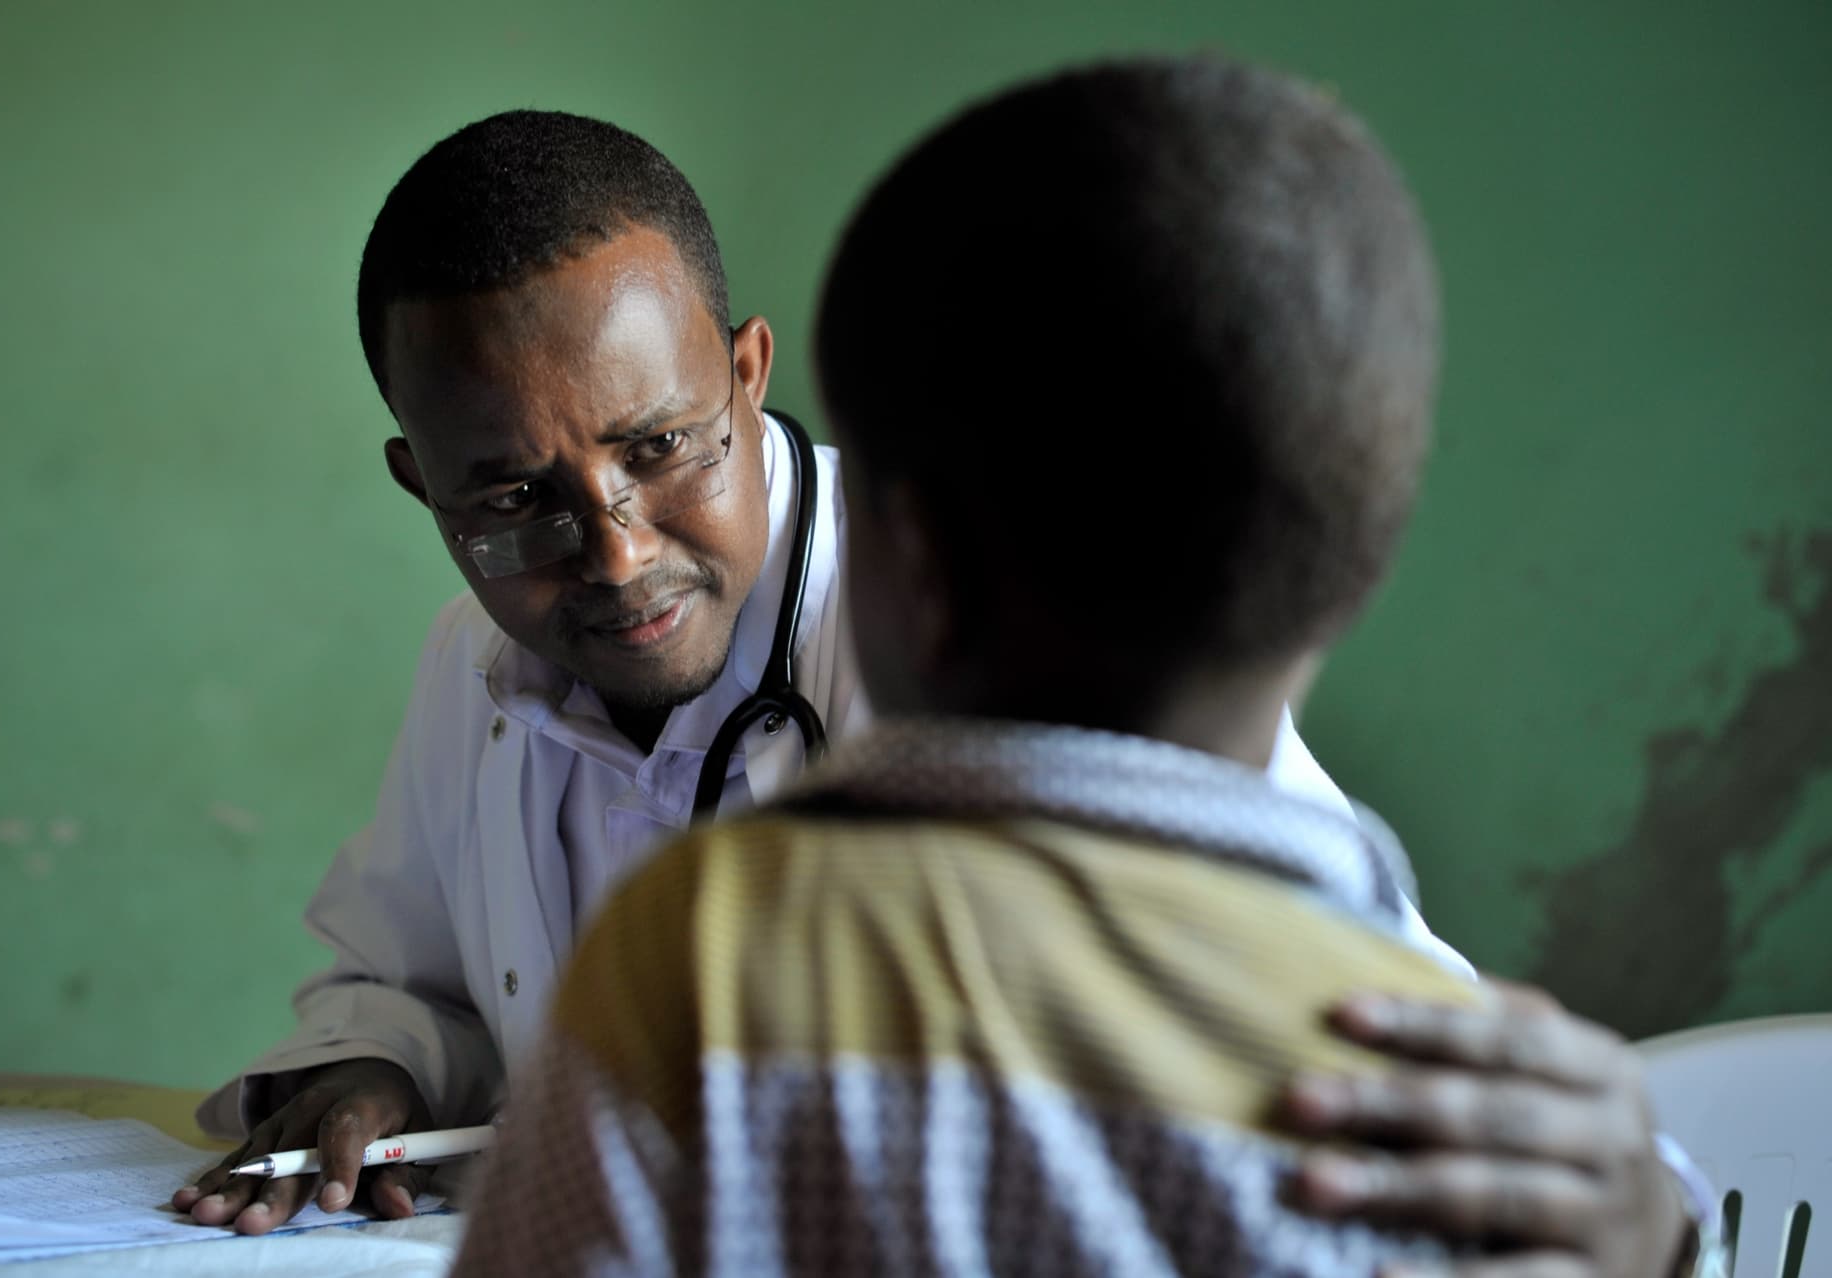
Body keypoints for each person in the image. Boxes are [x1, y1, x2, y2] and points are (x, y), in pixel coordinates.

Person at [170, 106, 1716, 1269]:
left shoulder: (1025, 645)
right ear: (419, 484)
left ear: (750, 374)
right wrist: (373, 1061)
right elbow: (421, 976)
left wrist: (1642, 1215)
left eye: (659, 448)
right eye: (510, 500)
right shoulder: (478, 663)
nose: (614, 549)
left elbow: (1334, 1016)